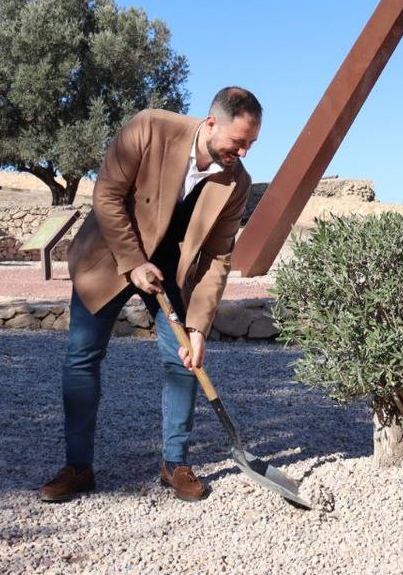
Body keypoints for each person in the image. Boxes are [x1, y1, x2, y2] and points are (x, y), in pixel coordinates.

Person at [39, 87, 260, 503]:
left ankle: (174, 462)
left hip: (175, 274)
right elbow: (106, 194)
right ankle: (77, 466)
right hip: (110, 257)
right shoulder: (150, 128)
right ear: (211, 123)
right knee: (82, 357)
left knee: (182, 364)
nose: (244, 152)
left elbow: (217, 256)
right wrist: (134, 261)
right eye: (238, 141)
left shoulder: (237, 182)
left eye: (251, 144)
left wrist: (197, 327)